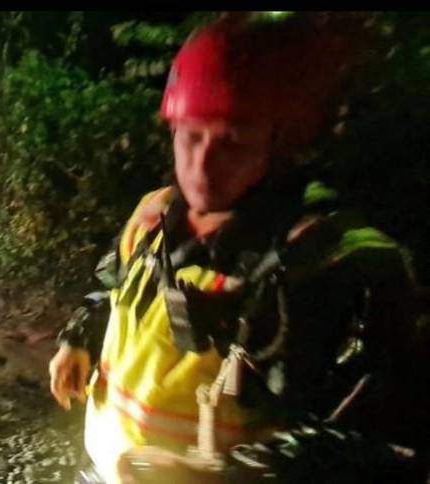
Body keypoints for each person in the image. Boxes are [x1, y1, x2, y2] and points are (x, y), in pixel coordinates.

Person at [47, 12, 428, 484]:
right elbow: (113, 291)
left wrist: (229, 475)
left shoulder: (332, 265)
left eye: (232, 144)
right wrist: (78, 339)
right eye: (190, 138)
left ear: (281, 144)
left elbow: (370, 438)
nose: (202, 167)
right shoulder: (154, 215)